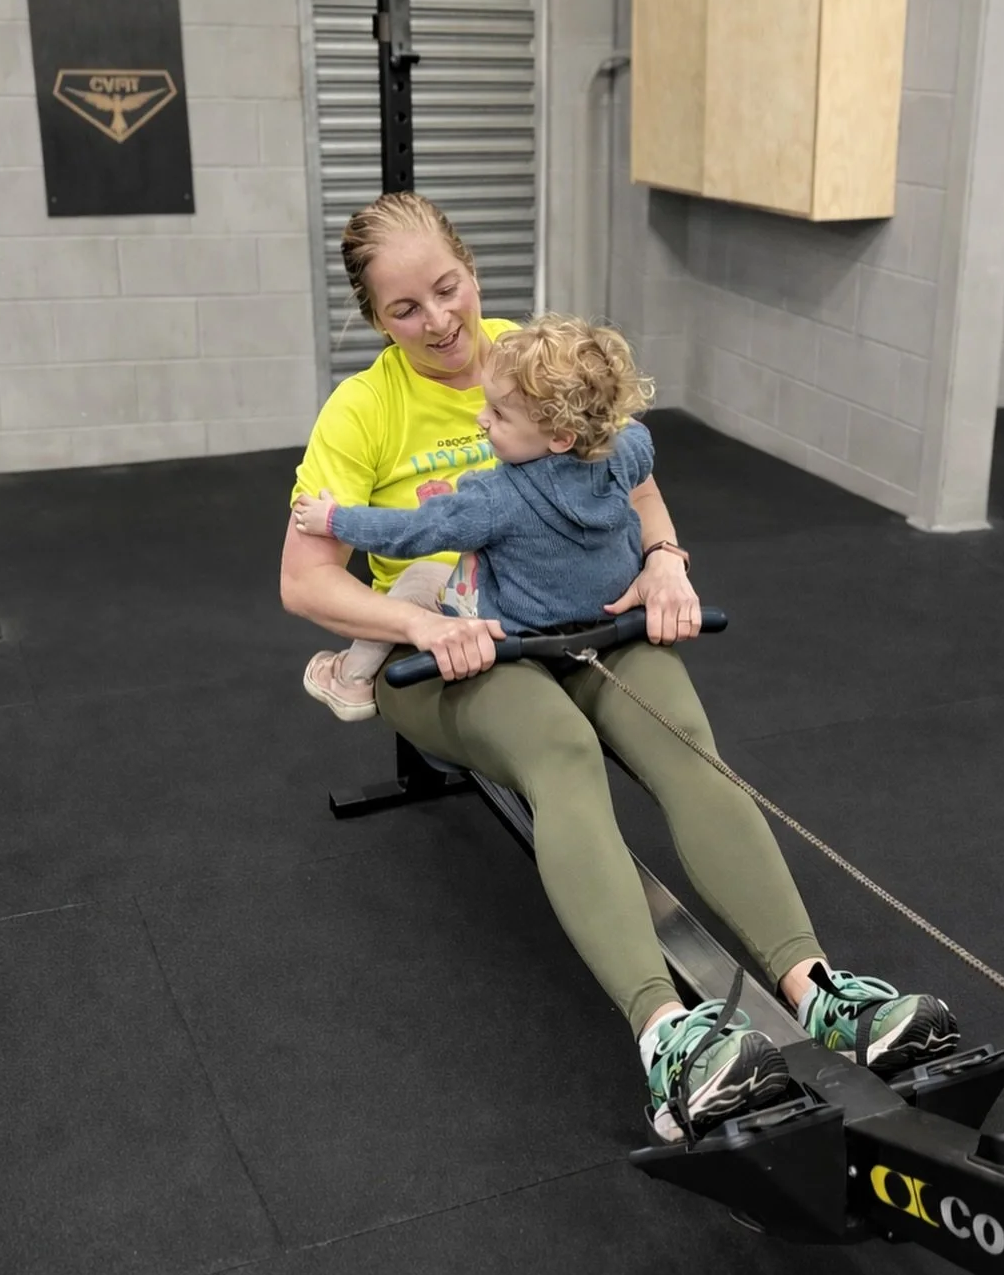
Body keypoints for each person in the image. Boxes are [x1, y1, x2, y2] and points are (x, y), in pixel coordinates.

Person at [281, 191, 960, 1143]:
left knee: (685, 743)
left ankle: (822, 993)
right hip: (454, 647)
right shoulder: (361, 411)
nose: (439, 321)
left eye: (447, 288)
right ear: (374, 319)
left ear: (471, 269)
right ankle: (668, 1040)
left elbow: (637, 484)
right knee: (558, 747)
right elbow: (305, 584)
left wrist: (664, 561)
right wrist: (416, 624)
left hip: (591, 622)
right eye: (405, 309)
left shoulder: (540, 360)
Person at [292, 314, 658, 719]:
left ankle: (350, 680)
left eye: (499, 414)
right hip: (608, 615)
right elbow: (637, 436)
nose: (481, 418)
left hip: (522, 626)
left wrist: (335, 520)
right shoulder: (624, 453)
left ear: (559, 437)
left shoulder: (493, 497)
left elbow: (410, 530)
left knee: (421, 574)